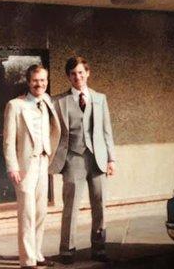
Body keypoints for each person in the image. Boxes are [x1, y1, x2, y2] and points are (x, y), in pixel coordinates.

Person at [50, 56, 116, 264]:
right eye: (73, 74)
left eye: (80, 72)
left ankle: (99, 248)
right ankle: (67, 250)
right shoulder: (59, 101)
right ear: (68, 77)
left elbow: (107, 131)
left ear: (87, 73)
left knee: (100, 205)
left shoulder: (100, 98)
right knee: (70, 208)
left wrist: (111, 159)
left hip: (98, 159)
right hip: (73, 160)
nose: (77, 77)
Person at [3, 64, 60, 269]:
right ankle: (27, 261)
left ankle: (37, 254)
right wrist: (13, 167)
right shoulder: (15, 105)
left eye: (43, 80)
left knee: (40, 212)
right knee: (27, 213)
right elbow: (9, 141)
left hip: (43, 162)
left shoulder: (47, 101)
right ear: (28, 82)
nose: (40, 84)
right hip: (25, 166)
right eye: (36, 80)